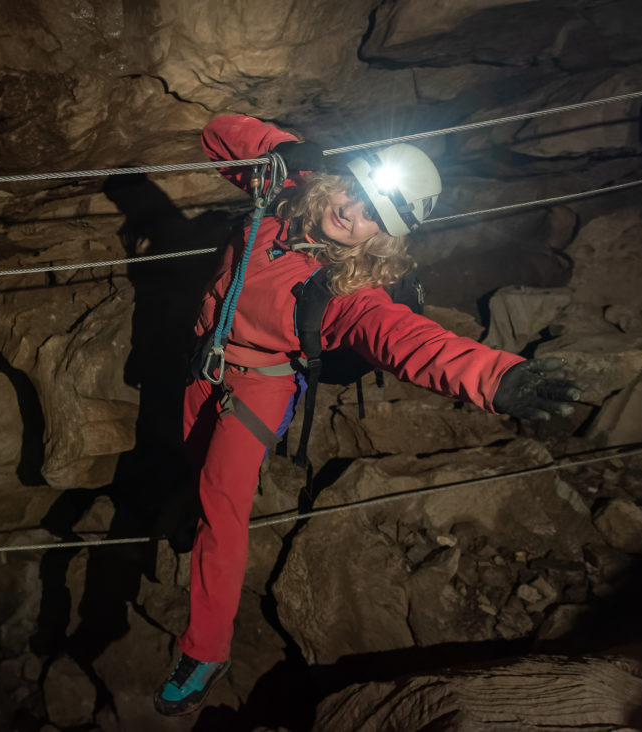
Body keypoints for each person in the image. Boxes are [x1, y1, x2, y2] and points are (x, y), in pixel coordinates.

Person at [153, 114, 583, 716]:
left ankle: (206, 648)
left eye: (372, 217)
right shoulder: (284, 193)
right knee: (197, 471)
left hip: (259, 386)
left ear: (382, 237)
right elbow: (217, 135)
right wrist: (289, 149)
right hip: (206, 361)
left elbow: (407, 340)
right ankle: (192, 520)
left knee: (223, 508)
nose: (352, 215)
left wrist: (496, 376)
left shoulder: (350, 295)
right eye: (355, 193)